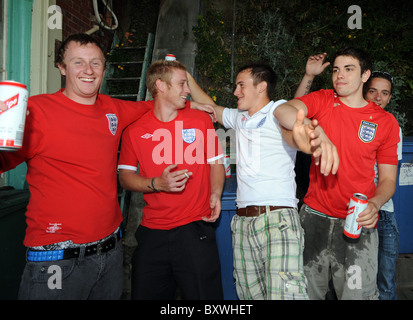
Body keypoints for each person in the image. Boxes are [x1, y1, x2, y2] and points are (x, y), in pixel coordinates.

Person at [0, 33, 211, 300]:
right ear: (62, 68)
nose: (88, 71)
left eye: (96, 63)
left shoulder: (114, 109)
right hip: (56, 260)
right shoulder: (36, 111)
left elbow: (156, 103)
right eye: (78, 62)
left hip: (110, 256)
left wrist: (195, 105)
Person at [276, 47, 400, 300]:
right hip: (314, 219)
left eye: (349, 69)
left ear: (365, 75)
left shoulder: (385, 122)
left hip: (357, 223)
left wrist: (375, 204)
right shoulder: (323, 99)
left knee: (357, 295)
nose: (339, 75)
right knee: (305, 294)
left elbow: (388, 179)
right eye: (335, 70)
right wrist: (314, 132)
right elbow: (283, 111)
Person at [188, 63, 318, 300]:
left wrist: (309, 133)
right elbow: (211, 108)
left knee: (285, 296)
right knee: (249, 296)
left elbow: (293, 119)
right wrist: (186, 75)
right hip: (243, 223)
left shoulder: (276, 110)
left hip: (277, 220)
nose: (236, 91)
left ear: (262, 87)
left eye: (241, 85)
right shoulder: (240, 118)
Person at [117, 60, 225, 300]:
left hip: (195, 228)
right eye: (182, 83)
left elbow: (216, 162)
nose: (187, 89)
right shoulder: (134, 129)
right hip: (151, 232)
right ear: (160, 86)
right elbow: (125, 177)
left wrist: (215, 193)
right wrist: (158, 184)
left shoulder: (200, 120)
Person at [364, 71, 402, 300]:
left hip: (384, 213)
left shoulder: (392, 127)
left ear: (389, 99)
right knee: (351, 283)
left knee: (385, 283)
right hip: (352, 212)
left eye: (384, 93)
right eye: (373, 91)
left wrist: (377, 204)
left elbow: (388, 177)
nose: (378, 97)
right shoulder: (347, 120)